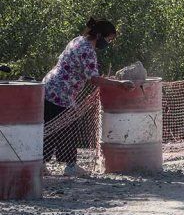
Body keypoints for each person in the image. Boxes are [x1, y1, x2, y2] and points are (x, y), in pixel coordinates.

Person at [42, 18, 134, 177]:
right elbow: (94, 79)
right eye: (108, 39)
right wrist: (119, 84)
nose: (108, 43)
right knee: (67, 129)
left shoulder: (77, 40)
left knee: (49, 128)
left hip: (49, 87)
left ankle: (41, 164)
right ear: (99, 35)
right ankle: (70, 166)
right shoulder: (88, 50)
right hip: (61, 93)